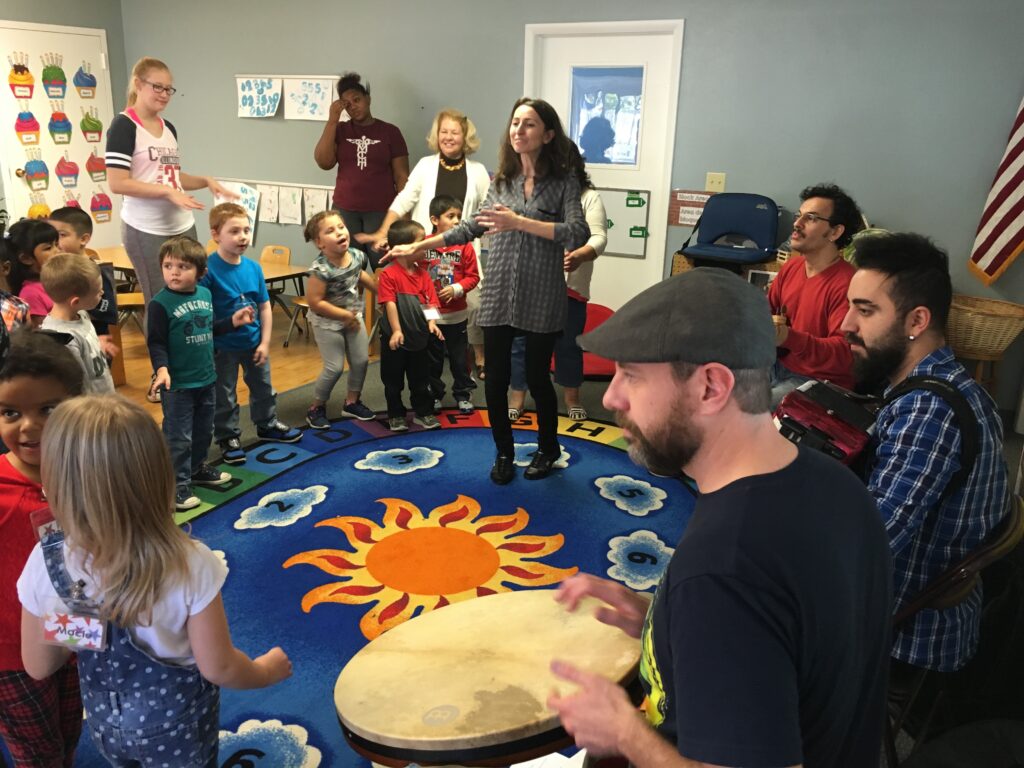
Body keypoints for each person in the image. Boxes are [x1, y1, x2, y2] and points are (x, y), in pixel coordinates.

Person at [546, 268, 893, 767]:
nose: (610, 398)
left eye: (633, 375)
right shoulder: (837, 484)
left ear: (711, 386)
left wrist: (624, 732)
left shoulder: (722, 573)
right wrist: (662, 629)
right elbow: (784, 644)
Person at [18, 395, 292, 767]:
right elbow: (219, 667)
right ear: (161, 477)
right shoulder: (190, 562)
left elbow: (37, 665)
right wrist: (265, 671)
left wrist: (91, 624)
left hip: (106, 727)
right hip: (177, 733)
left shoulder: (44, 561)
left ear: (53, 483)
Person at [389, 98, 589, 484]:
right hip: (498, 292)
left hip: (542, 293)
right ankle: (503, 452)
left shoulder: (563, 184)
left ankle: (548, 448)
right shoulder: (501, 183)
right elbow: (469, 229)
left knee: (536, 375)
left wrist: (521, 223)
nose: (519, 130)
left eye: (529, 124)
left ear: (547, 134)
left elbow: (577, 233)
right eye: (515, 122)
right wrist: (419, 246)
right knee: (495, 379)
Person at [841, 232, 1010, 675]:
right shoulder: (952, 383)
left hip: (905, 639)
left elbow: (866, 548)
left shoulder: (927, 411)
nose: (846, 325)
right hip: (914, 608)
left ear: (916, 321)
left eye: (865, 310)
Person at [0, 331, 84, 767]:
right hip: (9, 654)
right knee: (38, 752)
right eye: (10, 412)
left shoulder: (83, 472)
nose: (28, 427)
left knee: (70, 727)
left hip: (73, 632)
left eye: (48, 410)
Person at [368, 107, 490, 377]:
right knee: (426, 301)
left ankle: (478, 355)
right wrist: (384, 231)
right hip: (425, 251)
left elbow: (487, 212)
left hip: (464, 251)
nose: (448, 137)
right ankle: (423, 357)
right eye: (443, 131)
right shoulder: (425, 165)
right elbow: (404, 201)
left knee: (474, 305)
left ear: (465, 136)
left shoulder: (478, 171)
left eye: (454, 132)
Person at [106, 57, 234, 306]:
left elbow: (171, 176)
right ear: (138, 84)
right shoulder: (124, 126)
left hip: (182, 224)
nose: (164, 94)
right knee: (161, 302)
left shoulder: (169, 128)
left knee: (191, 295)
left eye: (169, 89)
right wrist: (166, 192)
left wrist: (205, 180)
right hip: (146, 228)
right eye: (158, 87)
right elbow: (118, 183)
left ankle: (192, 345)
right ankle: (162, 347)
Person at [149, 236, 256, 511]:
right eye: (168, 265)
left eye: (182, 267)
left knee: (203, 430)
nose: (174, 272)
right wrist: (161, 369)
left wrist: (232, 322)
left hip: (207, 378)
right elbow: (156, 342)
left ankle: (196, 469)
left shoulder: (205, 295)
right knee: (178, 436)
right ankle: (176, 484)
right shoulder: (160, 304)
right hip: (179, 384)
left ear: (201, 272)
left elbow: (208, 329)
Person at [509, 148, 606, 422]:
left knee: (568, 345)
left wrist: (580, 255)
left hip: (570, 289)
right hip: (532, 285)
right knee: (521, 343)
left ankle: (572, 398)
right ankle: (517, 396)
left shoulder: (588, 198)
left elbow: (599, 237)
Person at [202, 203, 302, 465]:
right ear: (215, 234)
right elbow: (203, 311)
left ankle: (267, 424)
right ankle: (227, 436)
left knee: (263, 386)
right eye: (234, 231)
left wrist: (265, 342)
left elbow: (265, 306)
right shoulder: (208, 270)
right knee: (224, 393)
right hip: (222, 345)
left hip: (254, 342)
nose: (243, 236)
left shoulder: (254, 268)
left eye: (247, 230)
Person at [768, 183, 864, 406]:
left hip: (821, 382)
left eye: (810, 218)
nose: (796, 224)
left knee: (748, 413)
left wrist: (788, 337)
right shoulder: (791, 268)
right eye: (798, 216)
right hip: (777, 367)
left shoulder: (848, 283)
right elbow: (768, 312)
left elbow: (846, 354)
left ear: (835, 232)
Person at [313, 72, 409, 270]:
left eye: (356, 100)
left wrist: (405, 217)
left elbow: (401, 177)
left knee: (384, 266)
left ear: (368, 99)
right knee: (344, 268)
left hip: (381, 210)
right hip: (345, 210)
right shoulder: (340, 130)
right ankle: (348, 303)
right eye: (346, 104)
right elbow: (324, 162)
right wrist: (332, 120)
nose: (353, 106)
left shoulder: (390, 132)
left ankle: (385, 303)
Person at [302, 210, 378, 429]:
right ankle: (316, 407)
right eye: (330, 230)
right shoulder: (320, 269)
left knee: (361, 361)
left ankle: (352, 402)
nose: (339, 232)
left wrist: (378, 288)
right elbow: (315, 302)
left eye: (341, 227)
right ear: (319, 243)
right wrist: (343, 315)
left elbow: (358, 275)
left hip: (353, 315)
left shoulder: (356, 255)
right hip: (328, 322)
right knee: (334, 367)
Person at [379, 220, 444, 432]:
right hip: (395, 341)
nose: (425, 245)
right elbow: (389, 303)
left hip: (419, 340)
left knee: (420, 380)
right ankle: (396, 415)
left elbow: (430, 303)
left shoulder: (423, 274)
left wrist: (433, 323)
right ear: (404, 247)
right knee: (392, 381)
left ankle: (423, 413)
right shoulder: (389, 274)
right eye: (420, 241)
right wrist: (396, 330)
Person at [421, 194, 480, 414]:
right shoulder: (424, 243)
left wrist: (457, 289)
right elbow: (415, 275)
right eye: (450, 216)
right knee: (432, 361)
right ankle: (434, 395)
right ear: (435, 219)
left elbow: (473, 276)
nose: (457, 221)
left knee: (458, 358)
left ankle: (463, 393)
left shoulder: (464, 246)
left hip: (457, 315)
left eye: (459, 216)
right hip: (431, 315)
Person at [47, 207, 120, 361]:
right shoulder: (54, 269)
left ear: (84, 239)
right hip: (69, 343)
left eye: (62, 235)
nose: (55, 242)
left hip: (96, 343)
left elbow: (106, 311)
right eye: (52, 236)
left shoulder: (96, 271)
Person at [40, 253, 115, 394]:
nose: (102, 292)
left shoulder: (81, 314)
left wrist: (96, 345)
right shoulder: (63, 340)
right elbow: (75, 387)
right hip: (90, 409)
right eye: (98, 292)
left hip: (105, 397)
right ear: (75, 301)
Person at [2, 218, 58, 326]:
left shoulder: (55, 279)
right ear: (26, 258)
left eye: (57, 244)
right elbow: (46, 334)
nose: (58, 251)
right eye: (48, 248)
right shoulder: (31, 294)